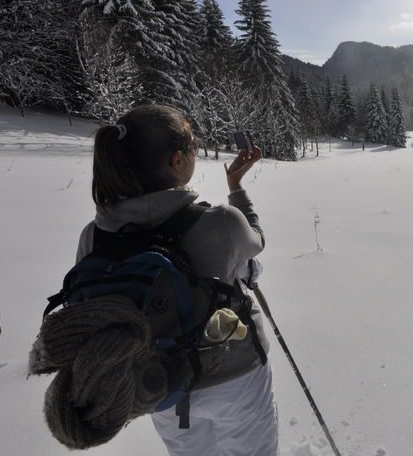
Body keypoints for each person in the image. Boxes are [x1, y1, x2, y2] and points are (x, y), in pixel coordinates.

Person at [70, 105, 277, 455]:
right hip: (235, 373)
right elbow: (255, 241)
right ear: (177, 161)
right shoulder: (221, 222)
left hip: (158, 383)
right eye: (194, 144)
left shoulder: (94, 237)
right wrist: (236, 187)